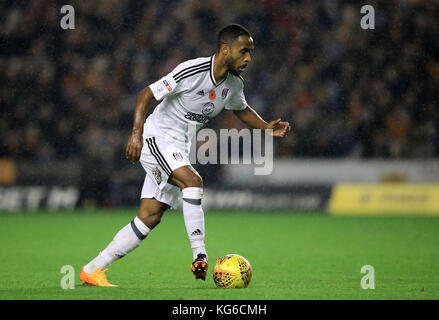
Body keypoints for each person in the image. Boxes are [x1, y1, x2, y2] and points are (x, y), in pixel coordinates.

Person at [80, 24, 290, 286]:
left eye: (251, 52)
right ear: (225, 50)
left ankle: (92, 269)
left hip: (177, 149)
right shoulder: (193, 71)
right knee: (192, 182)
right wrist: (136, 132)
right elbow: (147, 94)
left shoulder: (234, 84)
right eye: (244, 51)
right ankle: (199, 254)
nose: (248, 58)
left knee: (150, 216)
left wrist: (267, 128)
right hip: (155, 138)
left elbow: (241, 109)